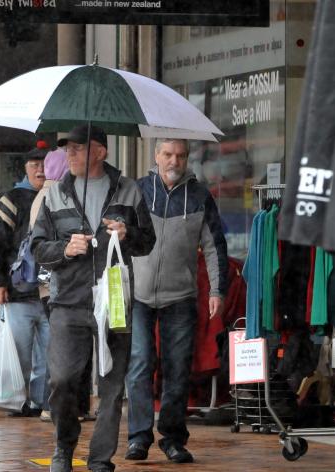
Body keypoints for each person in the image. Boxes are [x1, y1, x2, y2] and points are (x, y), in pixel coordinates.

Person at [32, 125, 156, 472]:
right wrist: (66, 249)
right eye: (66, 149)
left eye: (76, 148)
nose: (68, 154)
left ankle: (100, 458)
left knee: (113, 386)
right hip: (68, 301)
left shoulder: (128, 189)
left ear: (100, 151)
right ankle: (63, 448)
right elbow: (37, 247)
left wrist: (127, 232)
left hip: (114, 299)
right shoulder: (55, 193)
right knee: (62, 380)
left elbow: (148, 241)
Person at [124, 138, 228, 463]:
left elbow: (215, 247)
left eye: (180, 156)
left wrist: (217, 290)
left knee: (177, 369)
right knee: (140, 364)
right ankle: (138, 438)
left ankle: (172, 438)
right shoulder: (138, 190)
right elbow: (116, 238)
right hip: (138, 295)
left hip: (181, 296)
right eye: (168, 154)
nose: (174, 161)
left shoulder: (199, 196)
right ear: (156, 156)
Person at [0, 142, 50, 418]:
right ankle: (18, 402)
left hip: (49, 293)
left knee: (48, 357)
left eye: (46, 165)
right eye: (35, 165)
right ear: (25, 168)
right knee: (19, 353)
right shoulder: (12, 200)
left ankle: (41, 403)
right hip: (17, 293)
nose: (40, 170)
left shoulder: (59, 198)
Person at [30, 146, 95, 424]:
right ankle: (53, 404)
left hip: (54, 283)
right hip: (56, 283)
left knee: (63, 347)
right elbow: (40, 244)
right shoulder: (52, 196)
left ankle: (73, 406)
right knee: (61, 348)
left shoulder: (47, 193)